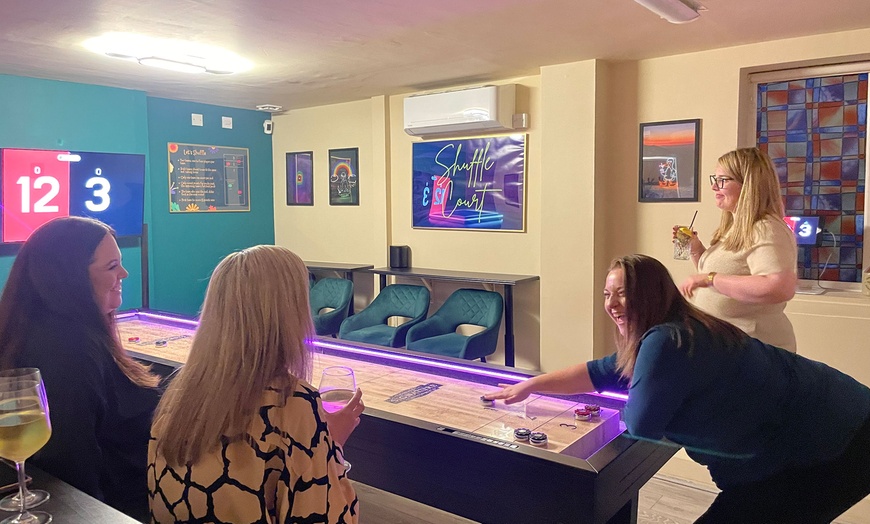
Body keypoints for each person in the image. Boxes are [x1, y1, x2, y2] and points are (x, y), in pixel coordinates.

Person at [484, 254, 870, 523]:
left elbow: (641, 424)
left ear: (652, 295)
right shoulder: (677, 330)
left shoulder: (666, 341)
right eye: (607, 293)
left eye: (623, 293)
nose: (613, 304)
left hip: (834, 446)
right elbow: (601, 371)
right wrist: (531, 385)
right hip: (839, 426)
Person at [148, 245, 363, 523]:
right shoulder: (294, 401)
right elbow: (328, 514)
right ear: (288, 314)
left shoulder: (181, 391)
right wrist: (332, 446)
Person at [0, 216, 161, 521]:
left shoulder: (35, 327)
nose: (124, 273)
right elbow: (73, 466)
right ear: (69, 277)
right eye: (112, 267)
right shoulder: (69, 347)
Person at [677, 147, 798, 352]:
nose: (714, 186)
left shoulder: (765, 228)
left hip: (755, 350)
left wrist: (709, 278)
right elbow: (729, 278)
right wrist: (696, 249)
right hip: (728, 346)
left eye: (722, 180)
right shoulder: (735, 228)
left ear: (749, 185)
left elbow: (779, 287)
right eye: (714, 179)